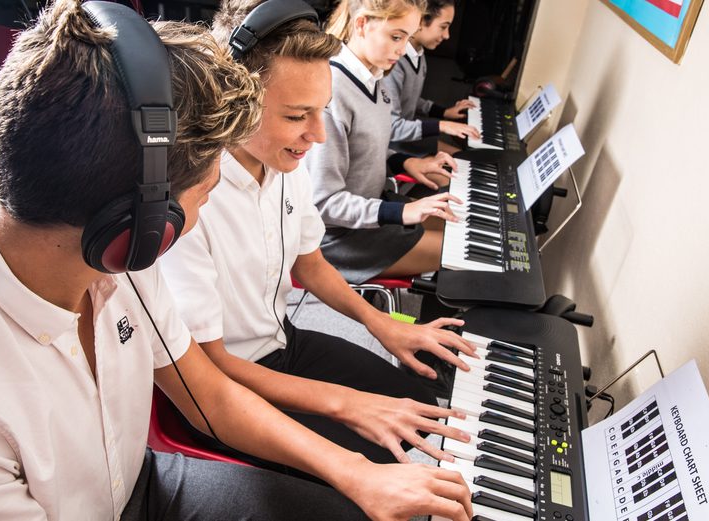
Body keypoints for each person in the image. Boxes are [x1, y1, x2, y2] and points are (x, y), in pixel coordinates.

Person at [0, 2, 473, 520]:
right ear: (137, 221)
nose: (214, 187)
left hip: (139, 484)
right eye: (204, 189)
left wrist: (353, 471)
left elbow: (207, 393)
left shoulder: (124, 265)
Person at [160, 0, 476, 469]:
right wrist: (346, 403)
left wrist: (384, 327)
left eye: (321, 112)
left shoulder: (285, 165)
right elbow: (213, 369)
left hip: (283, 342)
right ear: (234, 101)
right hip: (231, 383)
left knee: (420, 407)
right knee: (382, 458)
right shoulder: (191, 201)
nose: (319, 136)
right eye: (296, 116)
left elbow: (310, 263)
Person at [305, 0, 462, 284]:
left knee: (461, 224)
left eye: (407, 38)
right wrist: (401, 212)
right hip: (338, 239)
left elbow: (364, 144)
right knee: (463, 252)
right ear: (362, 24)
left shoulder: (373, 77)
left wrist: (406, 161)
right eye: (396, 37)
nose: (402, 50)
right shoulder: (333, 92)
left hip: (372, 212)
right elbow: (323, 202)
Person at [383, 0, 479, 154]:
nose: (447, 35)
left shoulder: (418, 54)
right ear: (420, 21)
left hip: (408, 137)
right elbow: (391, 127)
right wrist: (442, 125)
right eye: (443, 27)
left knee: (464, 155)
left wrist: (444, 112)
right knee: (458, 167)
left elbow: (408, 98)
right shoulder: (394, 63)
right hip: (390, 149)